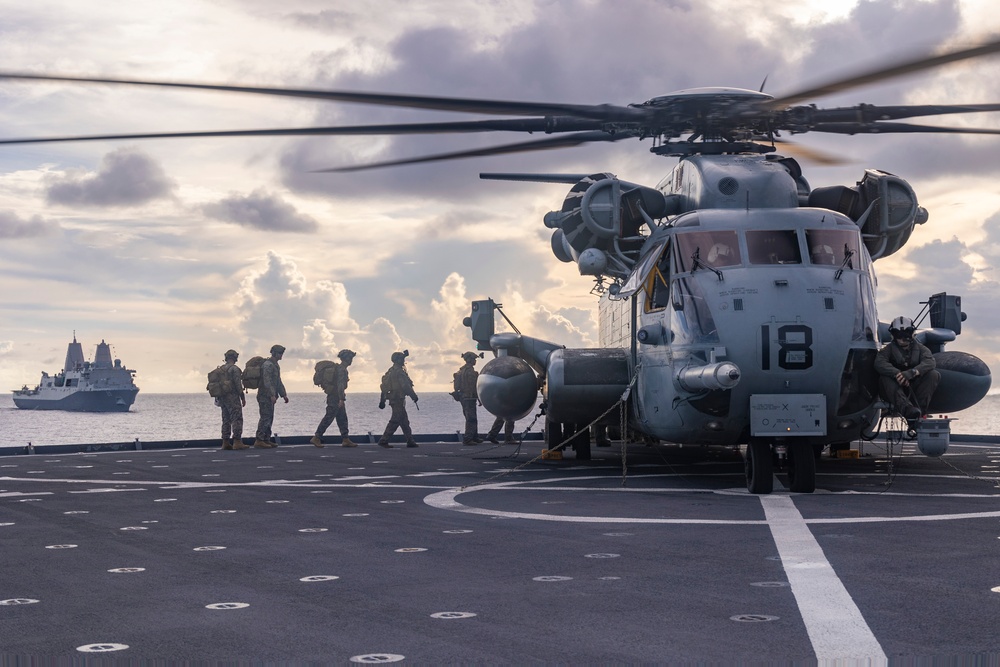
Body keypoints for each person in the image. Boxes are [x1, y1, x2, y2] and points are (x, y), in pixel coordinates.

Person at [874, 316, 940, 420]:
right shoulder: (887, 350)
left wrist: (912, 373)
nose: (902, 339)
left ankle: (919, 411)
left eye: (905, 334)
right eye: (898, 335)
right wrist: (897, 374)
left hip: (913, 386)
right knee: (884, 379)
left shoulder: (921, 349)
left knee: (933, 374)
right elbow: (879, 363)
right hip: (894, 388)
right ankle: (908, 410)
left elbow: (930, 362)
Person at [311, 349, 358, 448]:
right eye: (350, 358)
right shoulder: (342, 370)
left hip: (335, 396)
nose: (351, 360)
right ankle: (317, 437)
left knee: (342, 418)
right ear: (347, 359)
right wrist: (341, 399)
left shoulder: (340, 369)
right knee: (329, 417)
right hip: (335, 397)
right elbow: (340, 386)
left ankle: (345, 439)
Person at [377, 350, 419, 448]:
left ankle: (410, 440)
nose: (403, 361)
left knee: (404, 420)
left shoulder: (390, 371)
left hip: (394, 398)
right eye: (402, 359)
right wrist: (413, 396)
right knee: (395, 420)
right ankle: (384, 440)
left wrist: (382, 400)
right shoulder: (399, 372)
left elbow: (384, 387)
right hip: (397, 399)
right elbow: (405, 386)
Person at [254, 344, 288, 448]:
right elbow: (267, 381)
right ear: (274, 353)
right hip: (264, 396)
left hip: (270, 396)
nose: (281, 355)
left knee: (270, 417)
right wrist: (271, 394)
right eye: (280, 353)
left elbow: (278, 381)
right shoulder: (268, 365)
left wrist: (283, 394)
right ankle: (259, 440)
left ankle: (266, 439)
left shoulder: (275, 365)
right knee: (265, 417)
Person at [219, 349, 248, 450]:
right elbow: (238, 385)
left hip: (223, 398)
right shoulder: (234, 369)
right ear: (235, 358)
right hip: (233, 397)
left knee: (226, 419)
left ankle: (225, 442)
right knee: (237, 418)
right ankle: (237, 441)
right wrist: (242, 397)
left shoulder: (221, 369)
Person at [454, 351, 482, 445]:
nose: (475, 361)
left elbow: (457, 386)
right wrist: (479, 398)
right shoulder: (470, 372)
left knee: (470, 417)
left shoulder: (461, 371)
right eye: (474, 359)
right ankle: (468, 439)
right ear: (470, 360)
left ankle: (474, 437)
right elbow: (473, 386)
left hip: (463, 397)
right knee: (471, 419)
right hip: (469, 397)